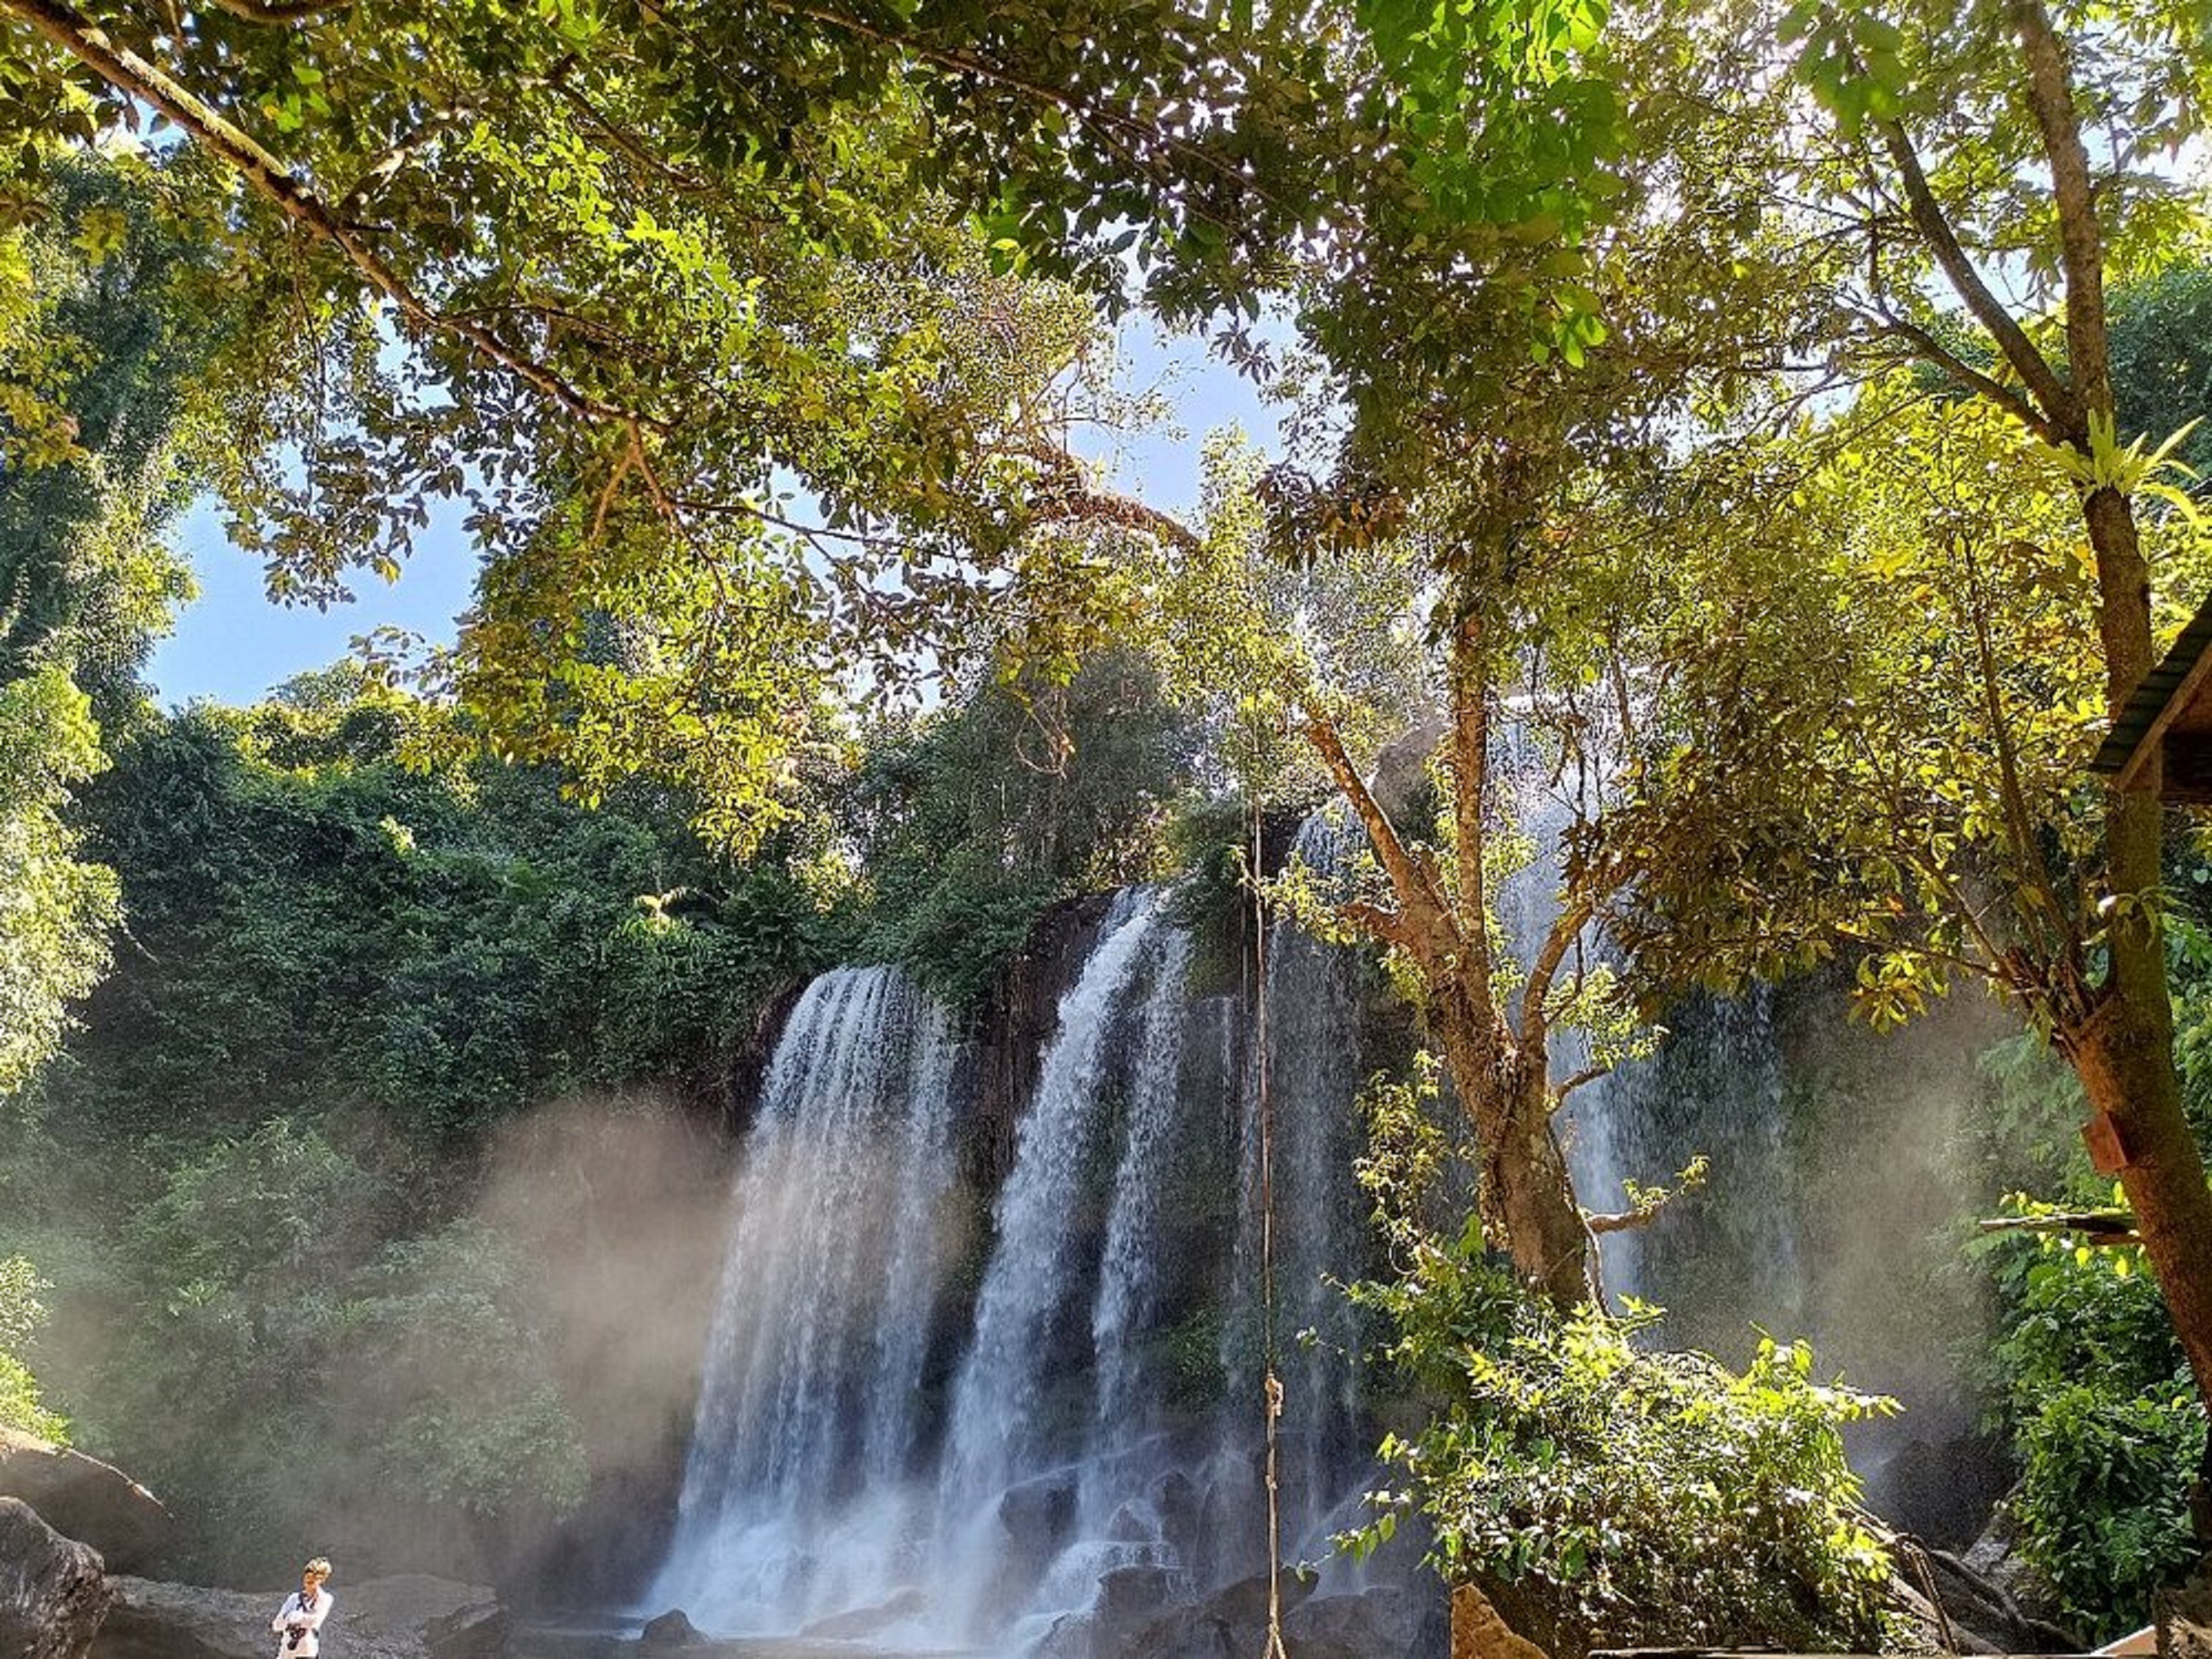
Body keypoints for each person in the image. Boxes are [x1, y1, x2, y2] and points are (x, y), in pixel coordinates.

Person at [271, 1558, 333, 1658]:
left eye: (315, 1577)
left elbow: (314, 1622)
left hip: (307, 1653)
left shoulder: (324, 1599)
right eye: (308, 1576)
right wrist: (295, 1620)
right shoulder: (294, 1598)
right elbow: (277, 1625)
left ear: (322, 1579)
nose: (310, 1579)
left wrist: (293, 1618)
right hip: (286, 1654)